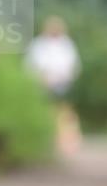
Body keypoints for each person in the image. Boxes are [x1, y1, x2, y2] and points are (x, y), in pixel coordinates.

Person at [25, 15, 81, 156]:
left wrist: (64, 77)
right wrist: (42, 78)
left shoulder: (67, 44)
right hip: (42, 84)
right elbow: (30, 66)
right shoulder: (38, 44)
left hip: (63, 84)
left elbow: (74, 66)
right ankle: (43, 141)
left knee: (64, 114)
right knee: (46, 112)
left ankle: (66, 142)